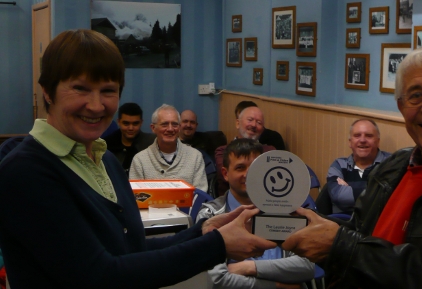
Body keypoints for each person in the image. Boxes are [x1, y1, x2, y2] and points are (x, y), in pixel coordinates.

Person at [0, 29, 276, 289]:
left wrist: (204, 230)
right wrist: (217, 245)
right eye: (80, 89)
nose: (96, 105)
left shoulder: (105, 160)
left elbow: (130, 248)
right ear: (47, 91)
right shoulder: (25, 172)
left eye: (108, 90)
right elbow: (99, 276)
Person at [282, 45, 422, 288]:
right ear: (401, 107)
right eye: (415, 95)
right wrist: (299, 223)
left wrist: (340, 247)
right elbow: (360, 231)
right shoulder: (393, 166)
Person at [197, 139, 315, 289]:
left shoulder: (286, 209)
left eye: (254, 168)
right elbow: (217, 279)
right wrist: (278, 286)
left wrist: (249, 267)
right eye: (240, 168)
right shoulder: (210, 215)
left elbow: (307, 267)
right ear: (226, 174)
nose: (248, 174)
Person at [129, 104, 208, 191]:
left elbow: (201, 194)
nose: (170, 129)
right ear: (153, 128)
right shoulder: (140, 160)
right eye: (164, 124)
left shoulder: (195, 156)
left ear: (179, 128)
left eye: (174, 124)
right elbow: (134, 197)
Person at [325, 119, 391, 215]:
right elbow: (339, 196)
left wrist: (349, 188)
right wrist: (374, 189)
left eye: (369, 136)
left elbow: (387, 198)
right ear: (350, 142)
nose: (362, 140)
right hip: (340, 224)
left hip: (375, 227)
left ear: (378, 141)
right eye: (357, 136)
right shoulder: (339, 165)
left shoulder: (390, 163)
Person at [215, 106, 275, 196]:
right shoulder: (223, 151)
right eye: (250, 120)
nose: (254, 125)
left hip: (265, 201)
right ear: (238, 123)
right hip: (230, 204)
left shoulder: (270, 151)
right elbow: (228, 178)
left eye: (259, 122)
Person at [103, 102, 155, 176]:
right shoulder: (106, 146)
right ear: (119, 122)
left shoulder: (152, 144)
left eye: (135, 124)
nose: (131, 128)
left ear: (141, 123)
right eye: (126, 123)